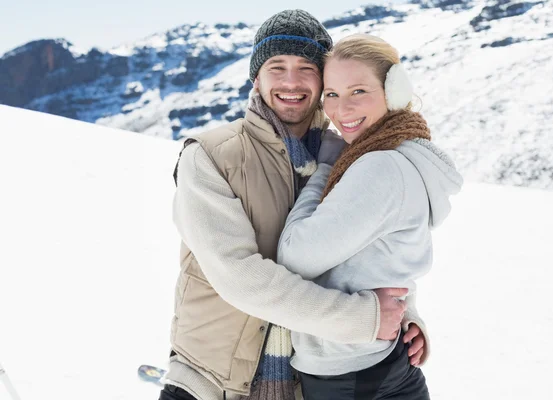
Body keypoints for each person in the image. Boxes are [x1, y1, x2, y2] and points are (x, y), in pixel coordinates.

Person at [160, 11, 429, 400]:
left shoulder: (349, 156)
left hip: (312, 383)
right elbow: (238, 276)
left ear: (324, 80)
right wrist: (365, 318)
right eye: (277, 66)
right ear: (257, 78)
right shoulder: (210, 157)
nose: (291, 82)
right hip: (212, 383)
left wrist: (406, 315)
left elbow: (377, 250)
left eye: (307, 67)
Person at [277, 34, 463, 399]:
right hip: (377, 364)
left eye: (358, 91)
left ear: (393, 91)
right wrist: (409, 310)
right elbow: (387, 255)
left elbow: (294, 255)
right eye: (331, 93)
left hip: (352, 375)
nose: (341, 109)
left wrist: (325, 166)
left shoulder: (379, 166)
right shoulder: (400, 154)